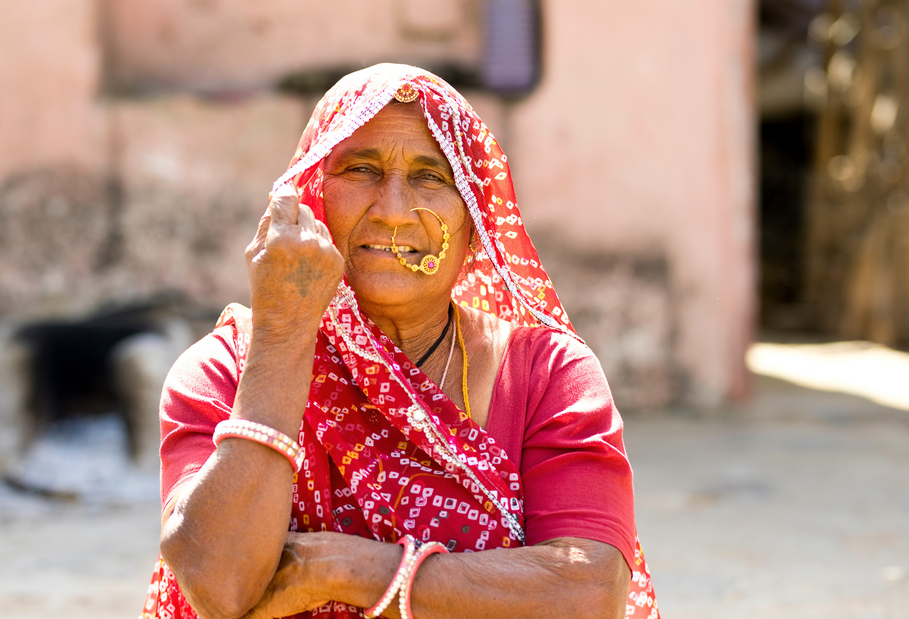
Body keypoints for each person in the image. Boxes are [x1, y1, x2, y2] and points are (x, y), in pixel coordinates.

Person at [141, 64, 659, 619]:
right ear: (311, 195)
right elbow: (219, 583)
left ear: (473, 221)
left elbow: (587, 592)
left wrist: (340, 568)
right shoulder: (227, 367)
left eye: (431, 177)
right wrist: (284, 333)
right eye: (361, 169)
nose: (391, 211)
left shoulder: (548, 376)